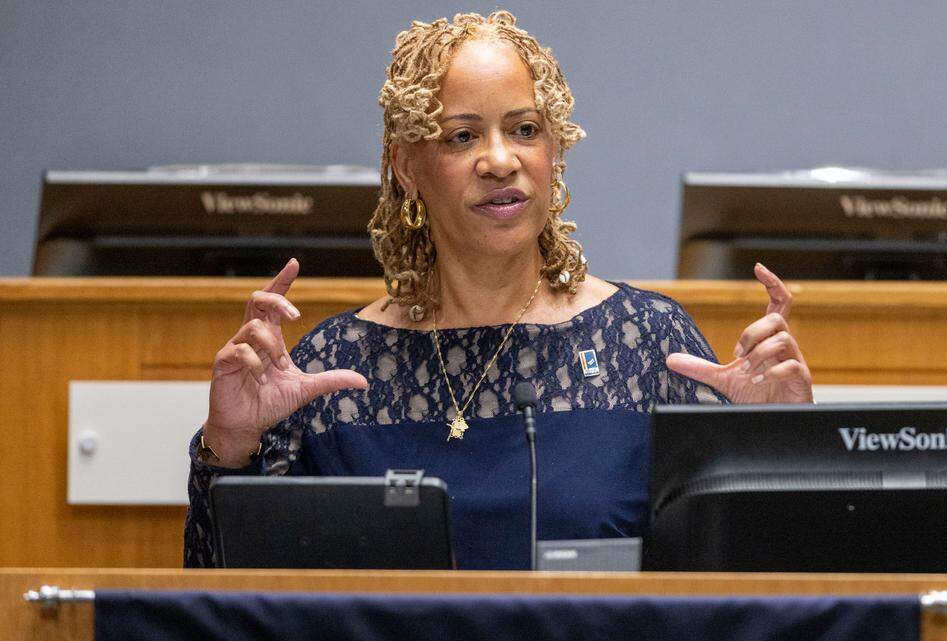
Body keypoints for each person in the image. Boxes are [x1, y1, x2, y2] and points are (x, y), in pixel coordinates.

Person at [184, 11, 812, 569]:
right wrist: (229, 448)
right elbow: (230, 607)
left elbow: (752, 594)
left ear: (554, 152)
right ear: (408, 166)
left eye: (524, 130)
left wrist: (781, 445)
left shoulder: (648, 344)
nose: (500, 160)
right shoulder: (331, 369)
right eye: (462, 136)